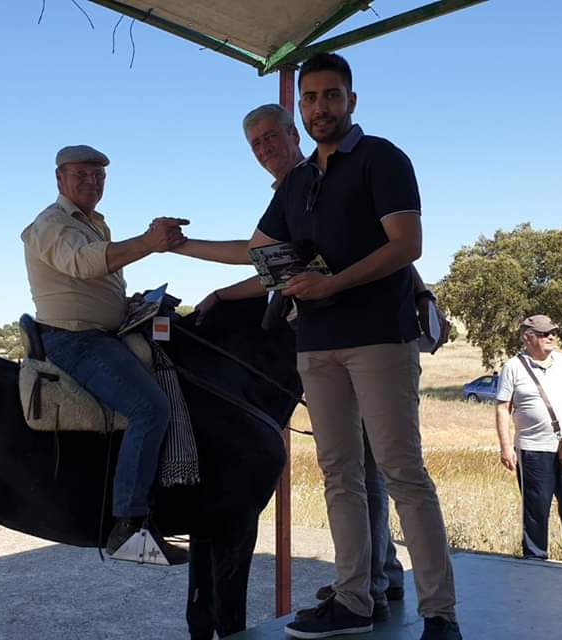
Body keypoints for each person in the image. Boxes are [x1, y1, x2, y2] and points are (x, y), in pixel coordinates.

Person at [251, 53, 461, 640]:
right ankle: (353, 601)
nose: (320, 107)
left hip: (377, 338)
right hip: (315, 344)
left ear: (352, 100)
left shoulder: (382, 159)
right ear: (302, 108)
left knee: (402, 473)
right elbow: (260, 250)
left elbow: (407, 244)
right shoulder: (296, 181)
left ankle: (441, 614)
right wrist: (178, 248)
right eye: (311, 98)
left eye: (331, 96)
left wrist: (332, 283)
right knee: (338, 472)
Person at [174, 103, 409, 621]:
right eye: (255, 143)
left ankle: (372, 580)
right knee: (359, 464)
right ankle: (379, 574)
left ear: (292, 131)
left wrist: (208, 276)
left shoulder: (313, 180)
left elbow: (271, 266)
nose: (264, 149)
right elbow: (267, 260)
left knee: (364, 468)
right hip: (338, 336)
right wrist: (205, 270)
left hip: (355, 336)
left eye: (270, 137)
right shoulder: (292, 192)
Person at [21, 144, 190, 565]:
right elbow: (83, 264)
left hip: (105, 331)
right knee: (150, 408)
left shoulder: (94, 222)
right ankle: (129, 525)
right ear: (60, 179)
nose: (92, 182)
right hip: (76, 339)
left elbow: (97, 279)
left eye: (99, 176)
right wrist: (150, 242)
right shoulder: (50, 225)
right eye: (81, 174)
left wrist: (130, 304)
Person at [494, 314, 562, 566]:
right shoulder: (513, 367)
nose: (551, 337)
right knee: (536, 509)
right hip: (532, 450)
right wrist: (506, 447)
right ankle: (535, 558)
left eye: (553, 332)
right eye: (543, 333)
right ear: (528, 338)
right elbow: (502, 408)